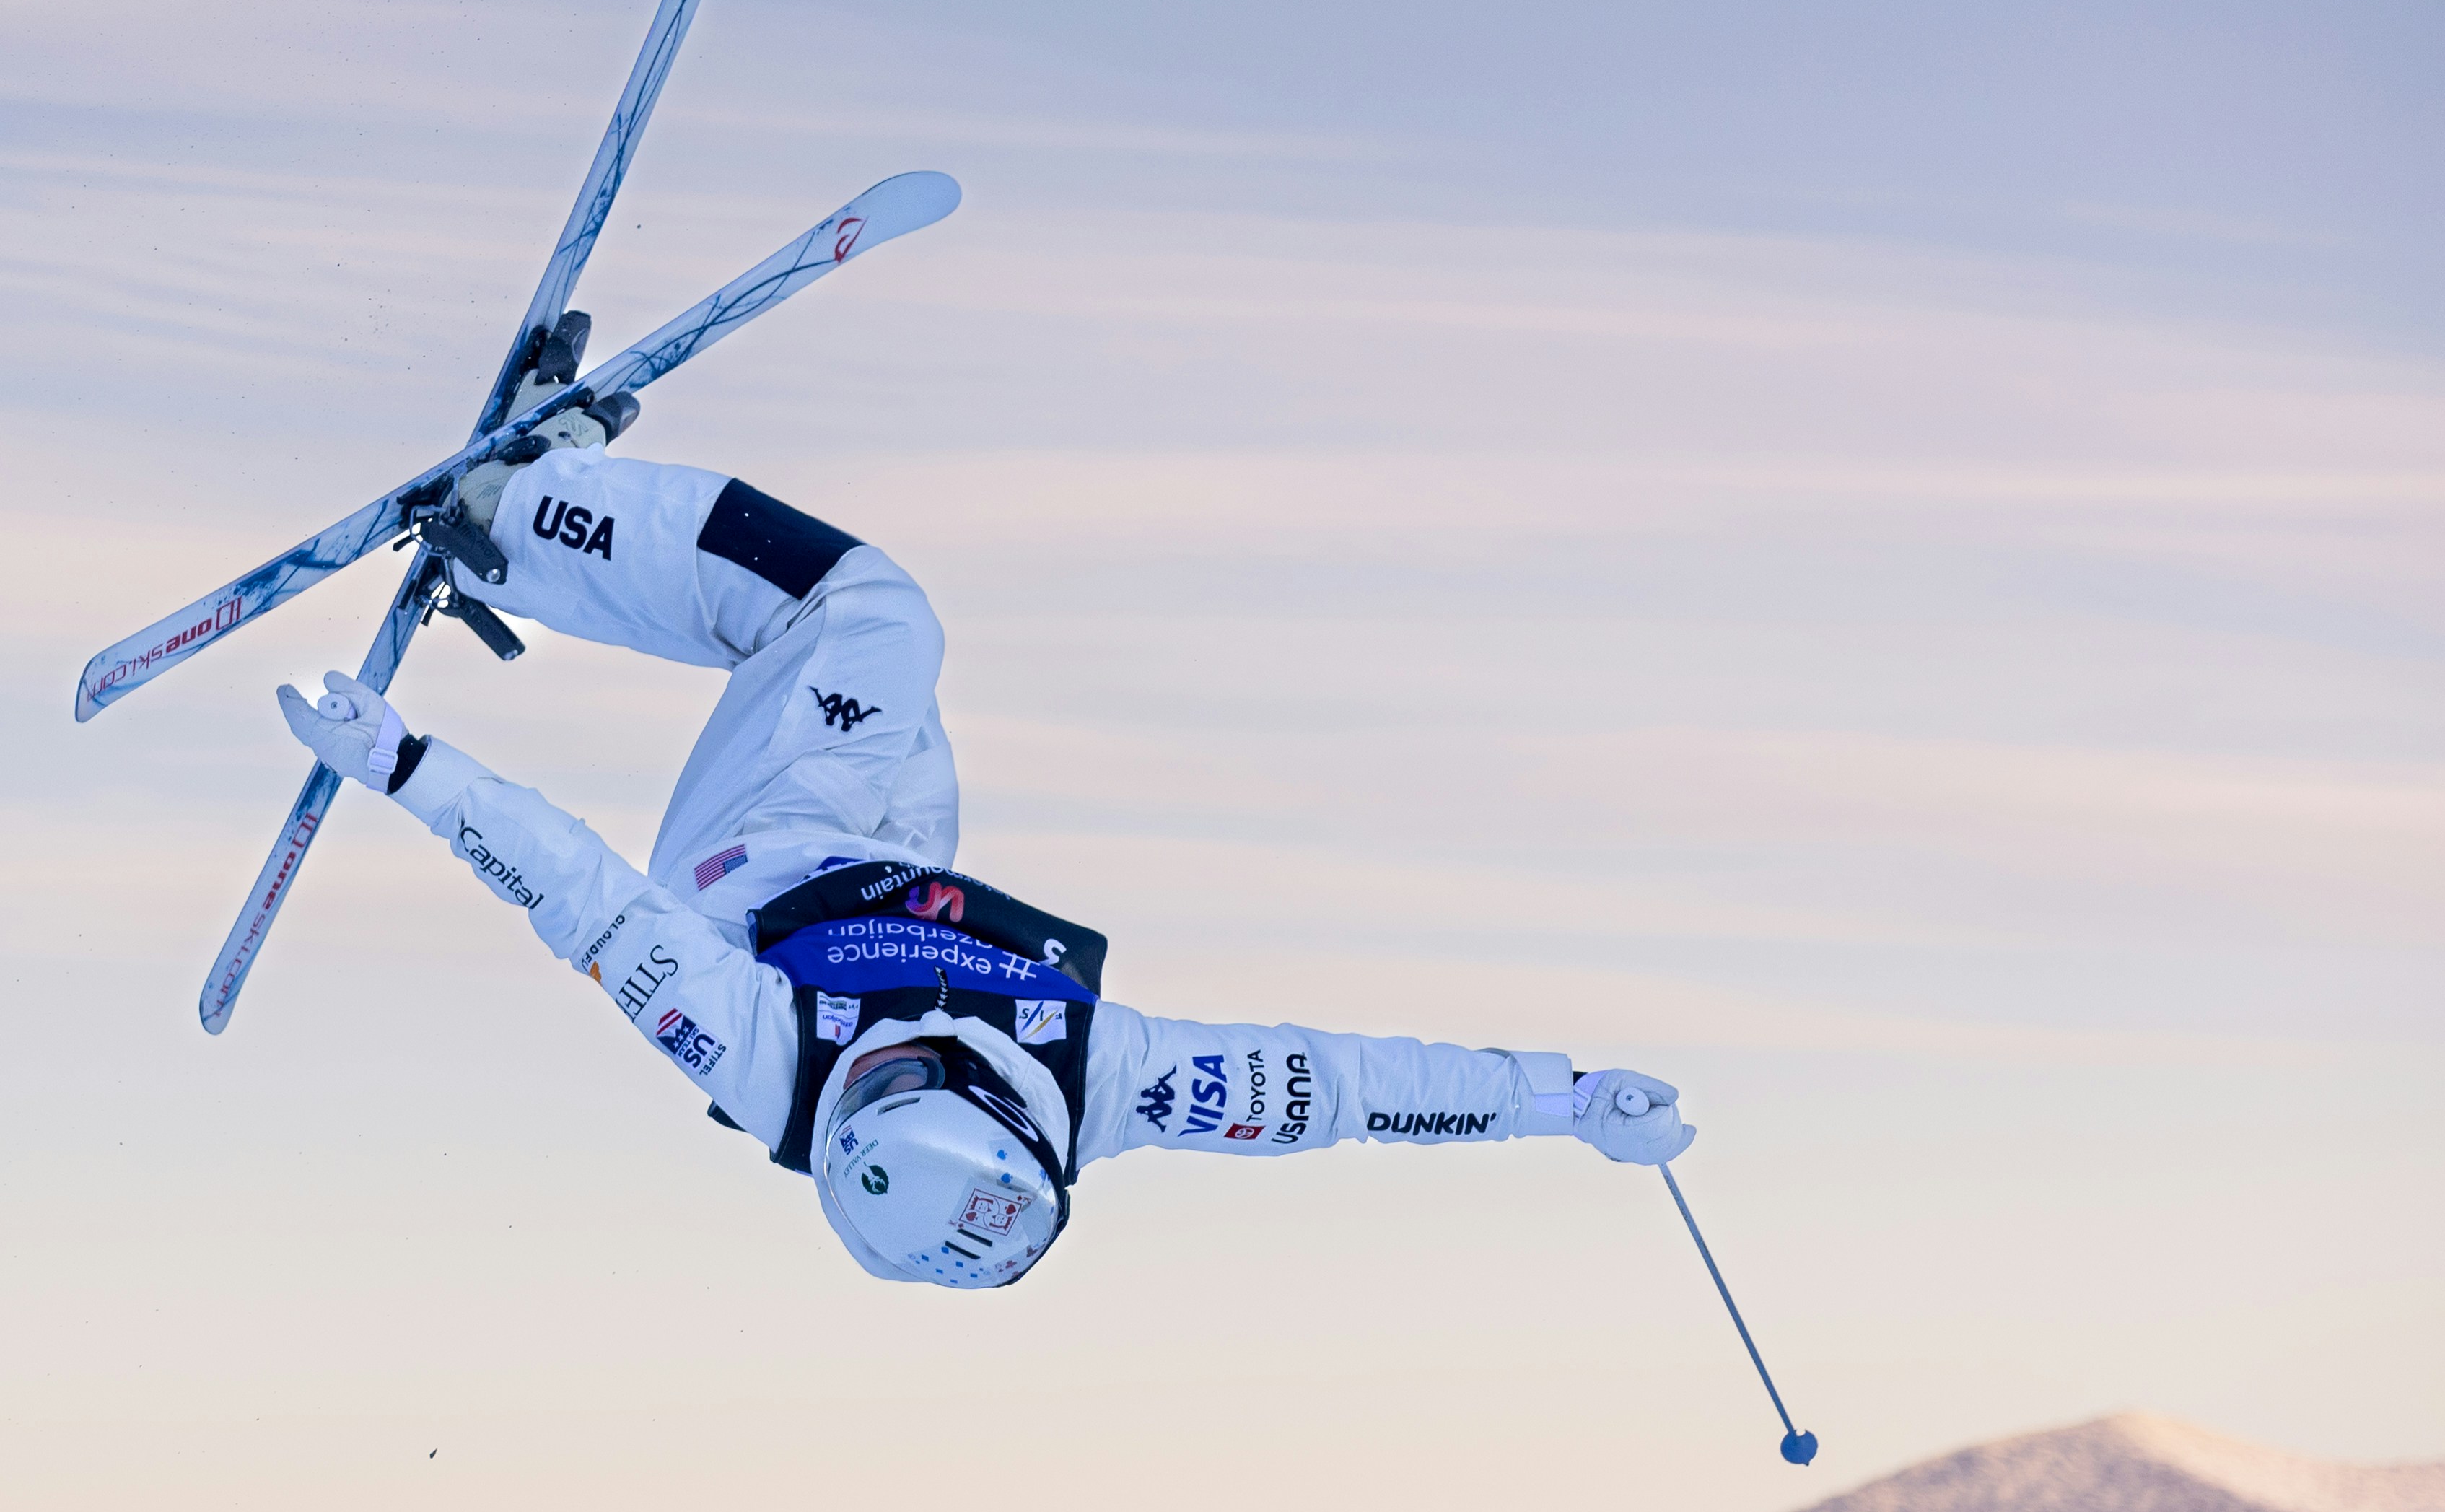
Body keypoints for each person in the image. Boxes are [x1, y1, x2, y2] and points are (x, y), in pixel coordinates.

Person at [275, 359, 1694, 1290]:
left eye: (862, 1104)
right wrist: (1566, 1103)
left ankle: (514, 512)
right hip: (902, 860)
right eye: (906, 1091)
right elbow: (1343, 1090)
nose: (875, 1077)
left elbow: (585, 904)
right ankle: (550, 540)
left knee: (868, 615)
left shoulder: (769, 1060)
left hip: (754, 870)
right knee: (842, 658)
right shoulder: (1116, 1080)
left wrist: (404, 764)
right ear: (1004, 1111)